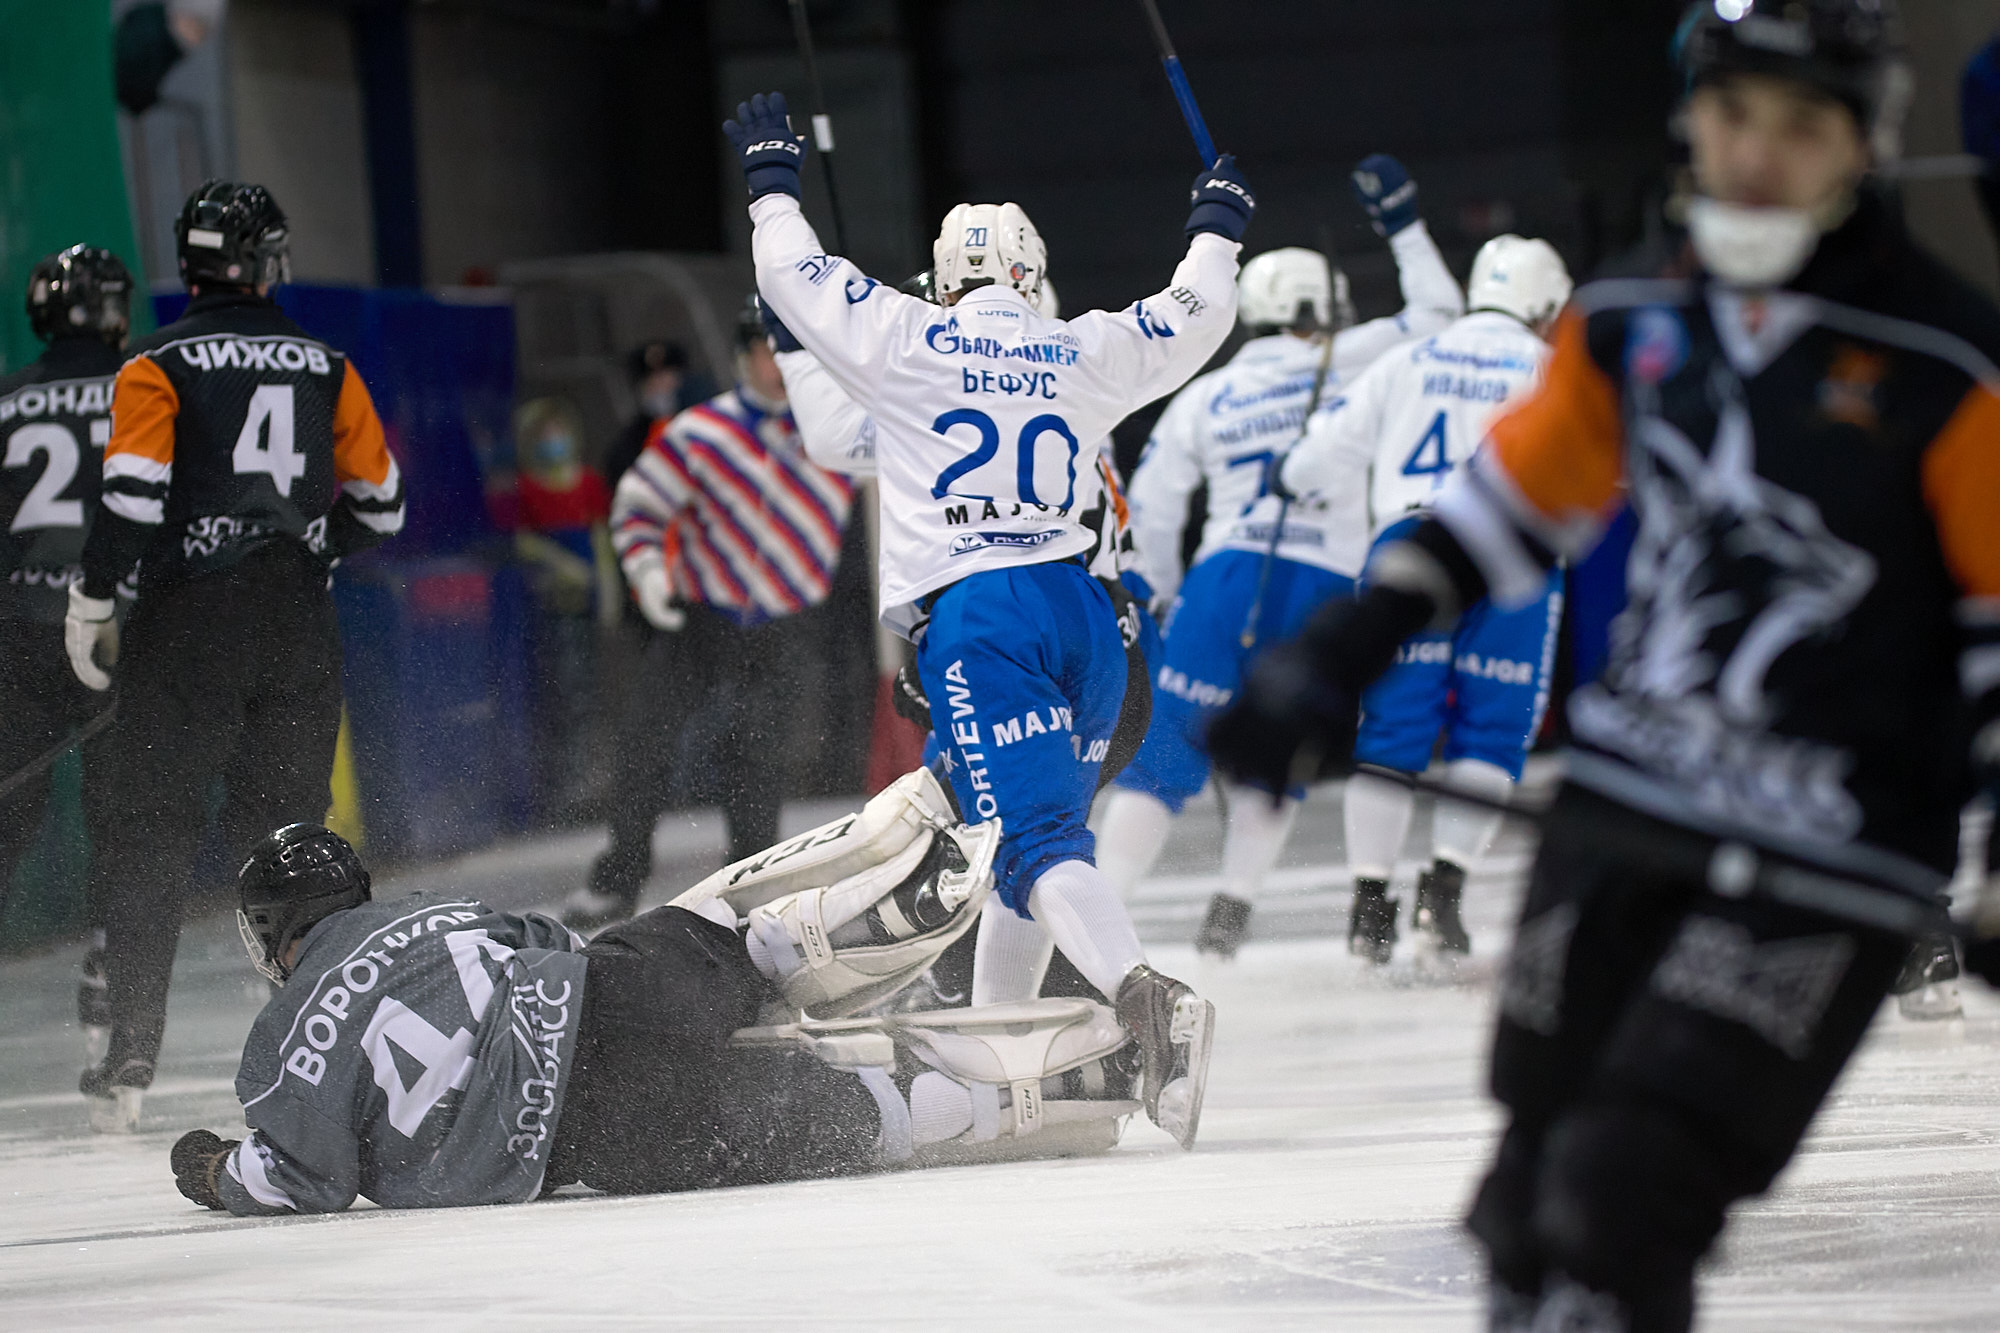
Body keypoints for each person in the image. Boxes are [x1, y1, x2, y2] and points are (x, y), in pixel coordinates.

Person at [1209, 3, 2000, 1326]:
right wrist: (1334, 655)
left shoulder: (1946, 363)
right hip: (1627, 817)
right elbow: (1499, 514)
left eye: (1801, 127)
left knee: (1631, 1188)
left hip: (1825, 858)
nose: (1756, 154)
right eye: (1734, 113)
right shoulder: (1636, 311)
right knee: (1528, 1197)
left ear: (1861, 146)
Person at [729, 90, 1252, 1147]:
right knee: (1013, 834)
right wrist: (1218, 227)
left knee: (1031, 835)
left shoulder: (907, 340)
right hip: (1089, 618)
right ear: (1029, 273)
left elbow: (789, 278)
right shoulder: (1079, 350)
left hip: (985, 615)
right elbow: (1194, 315)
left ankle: (1146, 1002)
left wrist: (772, 184)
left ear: (947, 273)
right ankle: (993, 1042)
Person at [168, 782, 1142, 1214]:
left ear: (269, 932)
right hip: (604, 991)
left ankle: (989, 1100)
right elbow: (549, 940)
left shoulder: (283, 1033)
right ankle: (793, 940)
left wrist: (210, 1166)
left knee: (810, 1122)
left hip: (575, 1127)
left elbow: (299, 1178)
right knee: (697, 938)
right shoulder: (422, 913)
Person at [70, 181, 404, 1131]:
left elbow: (133, 501)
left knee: (150, 838)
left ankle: (130, 1057)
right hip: (295, 620)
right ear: (266, 262)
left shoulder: (155, 363)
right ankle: (317, 1053)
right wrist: (307, 551)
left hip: (186, 628)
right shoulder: (325, 364)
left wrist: (94, 597)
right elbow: (383, 507)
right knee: (293, 846)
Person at [1092, 156, 1465, 958]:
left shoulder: (1207, 393)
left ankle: (1096, 917)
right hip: (1332, 578)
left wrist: (1151, 592)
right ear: (1324, 307)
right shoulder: (1360, 357)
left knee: (1164, 759)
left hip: (1226, 574)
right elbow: (1440, 312)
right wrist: (1401, 223)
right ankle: (1232, 906)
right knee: (1285, 746)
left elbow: (1153, 502)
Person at [1279, 234, 1572, 966]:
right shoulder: (1549, 366)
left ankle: (1368, 906)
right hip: (1515, 551)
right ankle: (1442, 895)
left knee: (1390, 729)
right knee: (1494, 729)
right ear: (1543, 306)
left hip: (1408, 544)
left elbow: (1306, 466)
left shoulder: (1407, 360)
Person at [564, 298, 856, 929]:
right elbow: (637, 505)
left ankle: (752, 884)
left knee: (759, 752)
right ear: (741, 356)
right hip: (703, 616)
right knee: (645, 740)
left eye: (791, 352)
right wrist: (646, 572)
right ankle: (620, 877)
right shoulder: (703, 431)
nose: (777, 365)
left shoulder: (834, 430)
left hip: (786, 621)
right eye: (765, 350)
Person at [0, 245, 132, 1050]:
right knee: (129, 807)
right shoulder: (147, 390)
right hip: (125, 628)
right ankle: (113, 958)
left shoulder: (8, 401)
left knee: (10, 810)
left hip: (21, 630)